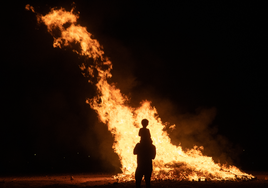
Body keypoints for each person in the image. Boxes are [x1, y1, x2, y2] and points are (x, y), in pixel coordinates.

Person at [134, 119, 156, 188]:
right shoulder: (152, 147)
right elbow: (153, 157)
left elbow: (134, 152)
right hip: (148, 166)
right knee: (147, 182)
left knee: (138, 181)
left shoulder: (139, 145)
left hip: (140, 165)